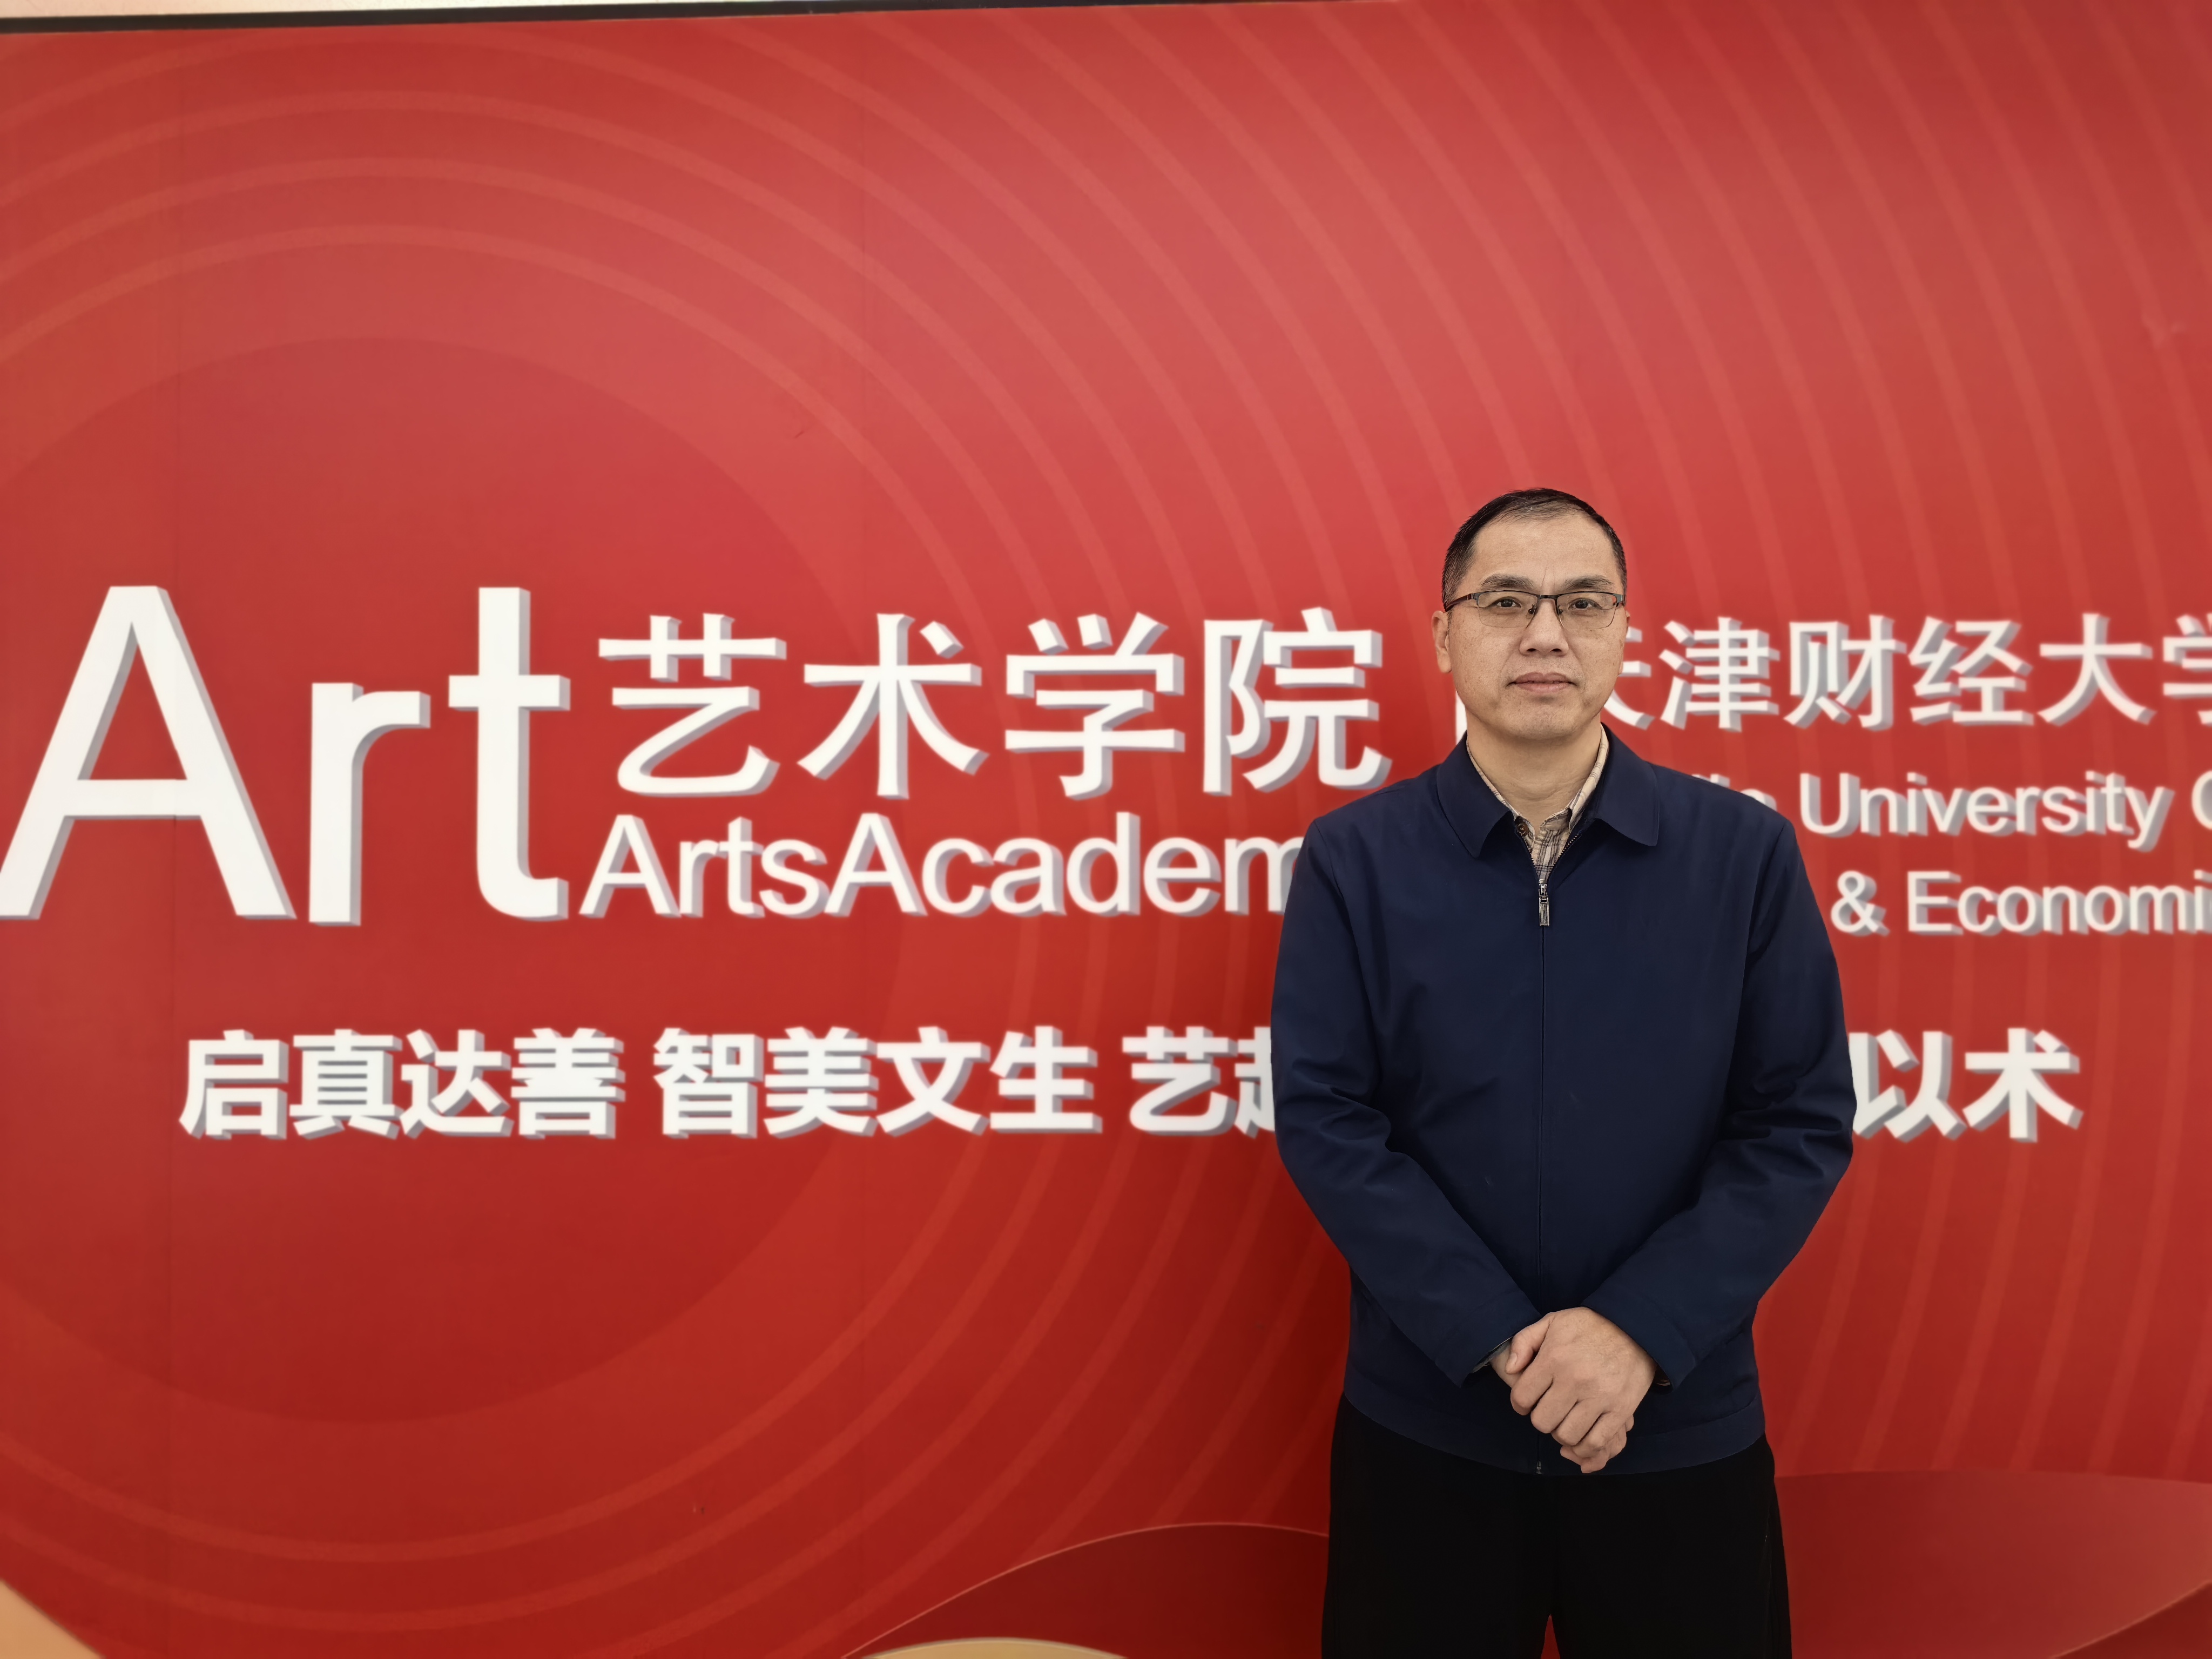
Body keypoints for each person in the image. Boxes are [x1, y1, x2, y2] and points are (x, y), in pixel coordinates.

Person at [1272, 488, 1854, 1657]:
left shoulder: (1740, 853)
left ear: (1624, 632)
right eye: (1505, 602)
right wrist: (1502, 1339)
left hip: (1673, 1424)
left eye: (1582, 603)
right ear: (1445, 636)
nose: (1545, 633)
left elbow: (1796, 1123)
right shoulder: (1355, 859)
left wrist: (1634, 1335)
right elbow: (1328, 1119)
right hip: (1432, 1427)